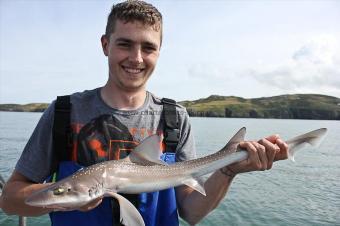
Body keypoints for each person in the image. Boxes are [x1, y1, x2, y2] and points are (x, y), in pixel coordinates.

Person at [0, 1, 288, 226]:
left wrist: (228, 169)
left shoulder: (175, 118)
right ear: (105, 45)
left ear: (159, 52)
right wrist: (63, 198)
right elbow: (9, 199)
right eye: (125, 43)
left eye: (148, 48)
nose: (136, 58)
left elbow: (192, 213)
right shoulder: (64, 112)